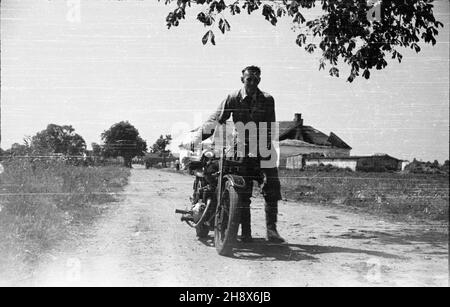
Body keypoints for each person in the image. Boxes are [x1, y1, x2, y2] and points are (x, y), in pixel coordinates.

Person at [201, 65, 285, 243]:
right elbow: (216, 118)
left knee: (272, 186)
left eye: (256, 79)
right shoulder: (233, 98)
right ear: (242, 80)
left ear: (259, 80)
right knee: (242, 188)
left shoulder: (268, 100)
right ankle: (245, 232)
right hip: (241, 148)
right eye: (249, 79)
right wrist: (200, 136)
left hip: (263, 147)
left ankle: (272, 230)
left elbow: (270, 126)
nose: (252, 83)